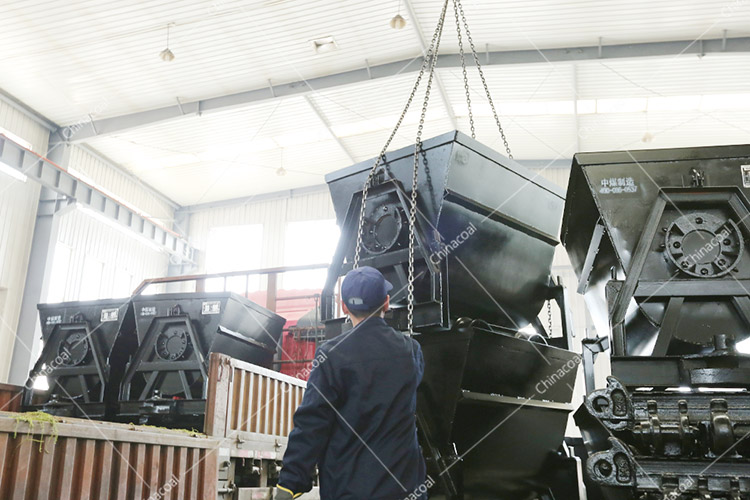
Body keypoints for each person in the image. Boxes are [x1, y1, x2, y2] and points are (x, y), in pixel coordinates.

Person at [275, 266, 426, 500]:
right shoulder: (411, 351)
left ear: (344, 307)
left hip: (348, 489)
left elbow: (313, 421)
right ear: (386, 303)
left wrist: (290, 483)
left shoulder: (332, 355)